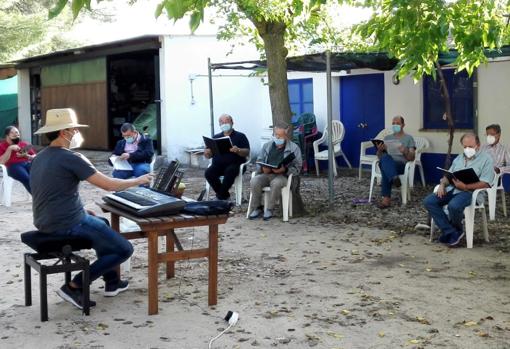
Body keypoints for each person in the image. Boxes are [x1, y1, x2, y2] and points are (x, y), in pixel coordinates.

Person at [30, 108, 152, 310]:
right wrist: (138, 180)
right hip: (67, 223)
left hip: (45, 220)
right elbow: (109, 185)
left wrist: (82, 211)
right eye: (74, 129)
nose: (76, 133)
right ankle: (75, 285)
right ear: (64, 132)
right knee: (124, 249)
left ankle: (112, 282)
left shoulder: (39, 157)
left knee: (102, 223)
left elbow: (53, 193)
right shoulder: (71, 157)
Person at [423, 133, 494, 247]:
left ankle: (452, 233)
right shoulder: (459, 158)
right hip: (453, 189)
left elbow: (486, 183)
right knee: (429, 201)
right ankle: (452, 232)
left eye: (470, 146)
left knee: (454, 206)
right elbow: (449, 175)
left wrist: (465, 187)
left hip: (471, 192)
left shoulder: (486, 159)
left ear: (478, 145)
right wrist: (442, 184)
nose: (467, 149)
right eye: (465, 147)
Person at [248, 122, 302, 220]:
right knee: (254, 181)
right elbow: (259, 160)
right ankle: (257, 207)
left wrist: (285, 169)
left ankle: (269, 209)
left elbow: (298, 167)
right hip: (266, 174)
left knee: (276, 183)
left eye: (280, 136)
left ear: (286, 135)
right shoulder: (267, 146)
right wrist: (262, 168)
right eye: (276, 135)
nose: (277, 138)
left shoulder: (294, 148)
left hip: (283, 176)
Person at [204, 114, 250, 200]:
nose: (224, 124)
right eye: (222, 122)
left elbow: (247, 152)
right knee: (208, 173)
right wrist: (207, 153)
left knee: (230, 171)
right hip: (218, 166)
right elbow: (208, 156)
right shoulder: (215, 137)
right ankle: (224, 195)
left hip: (236, 165)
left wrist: (238, 150)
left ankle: (220, 196)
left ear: (232, 123)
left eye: (227, 122)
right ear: (219, 124)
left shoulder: (240, 136)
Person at [375, 116, 416, 208]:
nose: (395, 125)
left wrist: (405, 151)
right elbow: (379, 157)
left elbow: (412, 158)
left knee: (385, 168)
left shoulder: (409, 138)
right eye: (393, 123)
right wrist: (379, 150)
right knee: (385, 158)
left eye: (397, 123)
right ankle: (394, 177)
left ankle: (386, 200)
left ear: (403, 125)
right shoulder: (387, 138)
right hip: (388, 163)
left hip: (400, 165)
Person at [0, 126, 36, 193]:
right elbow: (1, 161)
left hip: (27, 163)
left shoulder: (24, 144)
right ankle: (38, 198)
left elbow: (35, 157)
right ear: (7, 135)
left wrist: (26, 155)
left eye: (17, 132)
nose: (15, 134)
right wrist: (9, 149)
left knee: (38, 176)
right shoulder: (1, 146)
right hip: (12, 166)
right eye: (12, 133)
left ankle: (44, 197)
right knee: (26, 178)